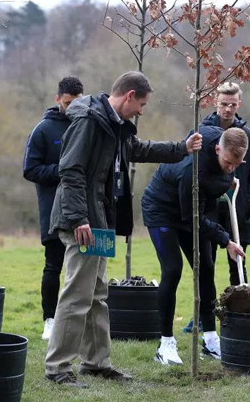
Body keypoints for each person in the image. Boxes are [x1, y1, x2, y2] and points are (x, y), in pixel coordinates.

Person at [44, 71, 203, 388]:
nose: (142, 111)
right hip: (82, 221)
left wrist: (181, 148)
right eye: (142, 104)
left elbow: (139, 150)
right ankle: (57, 367)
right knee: (77, 296)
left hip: (100, 218)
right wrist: (79, 218)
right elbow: (70, 170)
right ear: (129, 95)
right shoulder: (89, 120)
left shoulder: (113, 124)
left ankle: (96, 363)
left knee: (97, 294)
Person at [142, 126, 248, 366]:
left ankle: (210, 340)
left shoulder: (224, 149)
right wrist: (226, 240)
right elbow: (193, 219)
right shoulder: (192, 169)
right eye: (228, 162)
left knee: (206, 268)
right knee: (172, 269)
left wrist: (225, 180)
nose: (231, 168)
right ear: (217, 149)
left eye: (236, 164)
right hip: (162, 210)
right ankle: (165, 344)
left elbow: (204, 203)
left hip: (192, 210)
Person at [182, 82, 250, 333]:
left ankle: (241, 315)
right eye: (223, 104)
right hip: (208, 211)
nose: (227, 109)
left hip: (236, 212)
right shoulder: (201, 133)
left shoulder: (249, 138)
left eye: (232, 104)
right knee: (205, 266)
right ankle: (202, 316)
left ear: (239, 104)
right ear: (215, 103)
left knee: (237, 262)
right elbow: (187, 166)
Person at [23, 76, 84, 340]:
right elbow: (30, 169)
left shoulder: (87, 124)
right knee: (53, 266)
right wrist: (64, 171)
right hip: (53, 208)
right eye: (67, 103)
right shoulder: (43, 130)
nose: (72, 109)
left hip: (85, 208)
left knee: (82, 268)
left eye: (77, 103)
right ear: (57, 99)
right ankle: (49, 320)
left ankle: (77, 321)